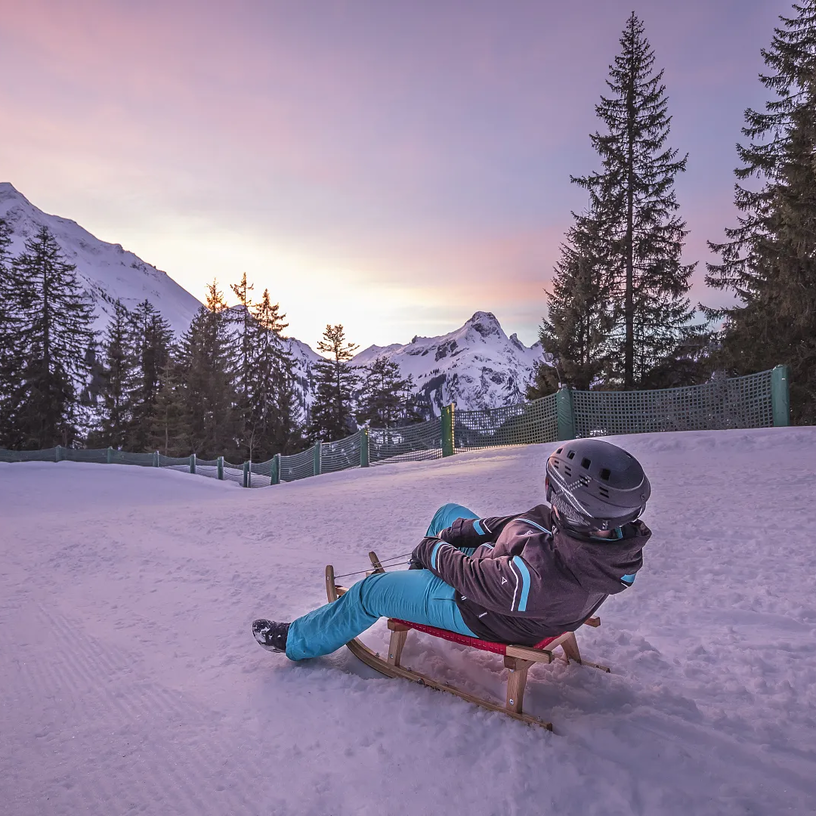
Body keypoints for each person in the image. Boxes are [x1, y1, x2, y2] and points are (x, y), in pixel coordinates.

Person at [252, 438, 652, 659]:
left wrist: (431, 550)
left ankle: (297, 641)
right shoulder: (598, 535)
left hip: (475, 609)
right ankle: (415, 586)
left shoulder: (544, 578)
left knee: (370, 591)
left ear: (572, 503)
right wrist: (460, 531)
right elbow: (520, 523)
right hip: (502, 581)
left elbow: (470, 576)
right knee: (449, 512)